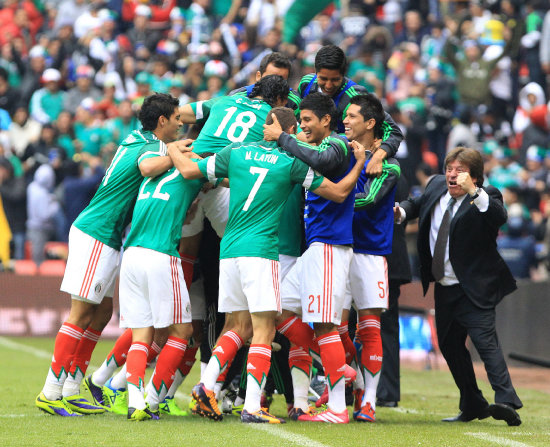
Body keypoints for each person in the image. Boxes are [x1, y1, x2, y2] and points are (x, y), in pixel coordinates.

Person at [172, 106, 367, 424]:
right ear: (289, 133)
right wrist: (359, 162)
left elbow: (190, 171)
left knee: (237, 326)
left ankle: (207, 386)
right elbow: (340, 193)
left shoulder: (235, 153)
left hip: (229, 251)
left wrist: (171, 148)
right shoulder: (291, 162)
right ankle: (251, 406)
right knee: (263, 330)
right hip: (261, 252)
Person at [35, 93, 186, 417]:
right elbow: (147, 168)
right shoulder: (152, 146)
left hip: (106, 235)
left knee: (102, 312)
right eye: (176, 119)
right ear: (162, 121)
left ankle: (74, 389)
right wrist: (175, 153)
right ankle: (51, 391)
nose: (180, 124)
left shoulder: (137, 136)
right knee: (80, 313)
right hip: (97, 232)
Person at [395, 147, 523, 426]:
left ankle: (506, 401)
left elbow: (498, 217)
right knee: (450, 346)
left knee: (485, 343)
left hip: (474, 286)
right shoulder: (436, 185)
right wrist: (403, 211)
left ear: (474, 176)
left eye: (460, 170)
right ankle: (473, 402)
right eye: (449, 169)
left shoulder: (488, 197)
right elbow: (419, 203)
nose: (452, 175)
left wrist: (475, 193)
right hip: (444, 286)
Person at [117, 136, 207, 421]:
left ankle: (134, 402)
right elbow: (219, 179)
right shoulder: (191, 172)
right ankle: (154, 399)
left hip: (130, 255)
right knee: (182, 332)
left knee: (141, 334)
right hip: (161, 257)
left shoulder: (151, 175)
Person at [339, 94, 401, 423]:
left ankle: (369, 401)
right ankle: (355, 379)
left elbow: (366, 201)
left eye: (351, 116)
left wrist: (328, 193)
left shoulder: (387, 164)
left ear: (370, 123)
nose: (344, 120)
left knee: (370, 327)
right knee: (331, 325)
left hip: (369, 254)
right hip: (337, 247)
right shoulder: (341, 151)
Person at [296, 44, 403, 177]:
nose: (328, 85)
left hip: (346, 167)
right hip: (310, 160)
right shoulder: (306, 84)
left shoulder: (355, 96)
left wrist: (379, 155)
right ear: (315, 72)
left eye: (335, 80)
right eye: (323, 79)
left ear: (344, 75)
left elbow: (393, 130)